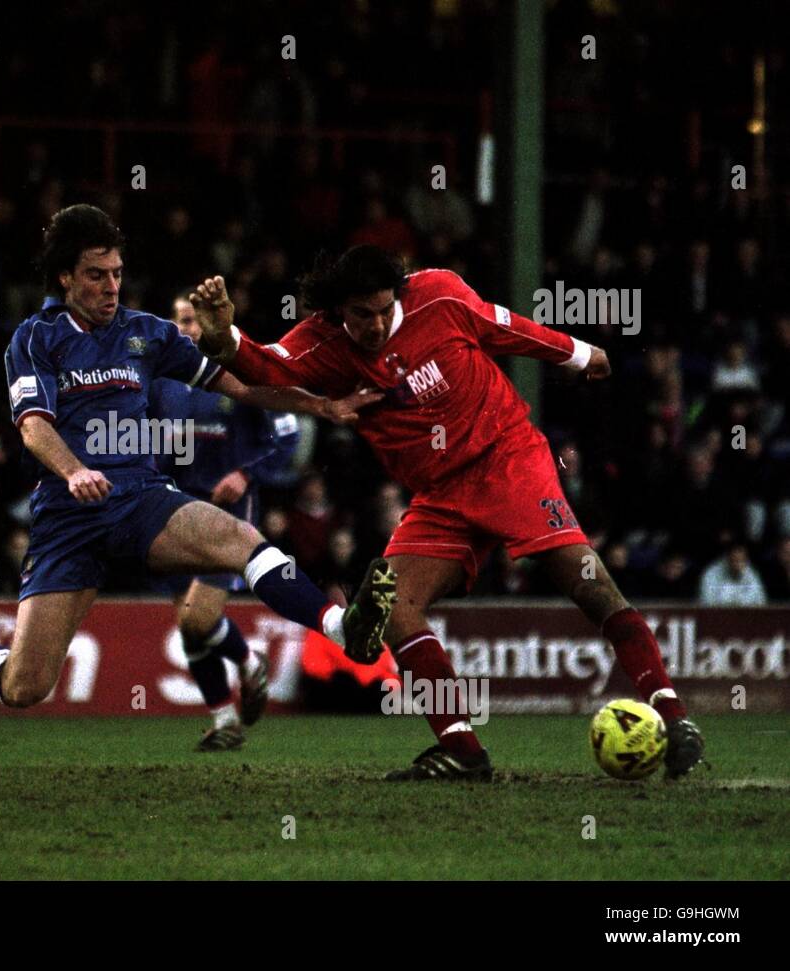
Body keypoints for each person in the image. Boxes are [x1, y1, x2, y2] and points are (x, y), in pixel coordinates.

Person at [190, 245, 706, 781]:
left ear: (398, 296)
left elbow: (503, 327)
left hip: (507, 459)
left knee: (588, 582)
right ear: (337, 309)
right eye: (360, 313)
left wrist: (578, 354)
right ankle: (462, 749)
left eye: (384, 309)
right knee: (393, 608)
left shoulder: (437, 294)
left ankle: (674, 717)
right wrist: (227, 335)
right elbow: (266, 367)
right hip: (440, 494)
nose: (374, 323)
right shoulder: (323, 343)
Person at [0, 205, 396, 722]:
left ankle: (340, 626)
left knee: (242, 541)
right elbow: (33, 426)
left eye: (117, 274)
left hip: (140, 499)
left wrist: (321, 405)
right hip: (68, 516)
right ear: (65, 277)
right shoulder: (36, 338)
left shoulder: (147, 333)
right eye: (95, 275)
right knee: (27, 685)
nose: (111, 287)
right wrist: (75, 471)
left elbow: (242, 384)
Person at [146, 294, 299, 751]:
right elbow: (147, 437)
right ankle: (225, 719)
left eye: (192, 320)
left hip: (227, 512)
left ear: (210, 322)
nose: (185, 328)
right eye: (178, 320)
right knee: (188, 622)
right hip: (174, 507)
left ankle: (250, 663)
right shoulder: (164, 382)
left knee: (199, 617)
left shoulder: (240, 372)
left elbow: (286, 436)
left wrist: (247, 472)